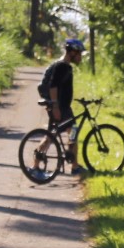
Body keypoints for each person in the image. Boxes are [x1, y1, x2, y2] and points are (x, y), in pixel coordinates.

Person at [38, 37, 84, 174]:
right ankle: (74, 166)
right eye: (79, 53)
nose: (80, 56)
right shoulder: (62, 66)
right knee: (73, 132)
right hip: (60, 107)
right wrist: (56, 106)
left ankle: (36, 164)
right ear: (72, 52)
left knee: (53, 134)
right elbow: (53, 87)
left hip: (62, 106)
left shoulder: (64, 65)